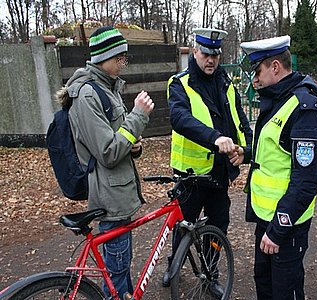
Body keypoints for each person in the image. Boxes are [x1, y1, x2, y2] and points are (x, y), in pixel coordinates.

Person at [56, 26, 154, 299]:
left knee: (120, 272)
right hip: (110, 198)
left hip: (119, 194)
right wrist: (139, 116)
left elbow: (119, 139)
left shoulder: (106, 89)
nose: (124, 62)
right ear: (105, 57)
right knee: (117, 276)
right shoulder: (87, 94)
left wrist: (135, 146)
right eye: (120, 57)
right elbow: (108, 151)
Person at [165, 27, 253, 298]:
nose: (211, 59)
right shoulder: (180, 83)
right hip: (190, 176)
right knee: (184, 225)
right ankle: (174, 266)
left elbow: (241, 121)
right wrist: (215, 138)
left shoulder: (226, 84)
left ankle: (210, 272)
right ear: (195, 52)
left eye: (215, 54)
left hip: (219, 174)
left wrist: (246, 150)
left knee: (218, 226)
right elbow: (180, 119)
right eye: (205, 53)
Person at [240, 35, 317, 300]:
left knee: (284, 292)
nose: (255, 80)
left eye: (258, 71)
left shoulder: (303, 107)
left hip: (285, 227)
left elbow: (307, 180)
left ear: (275, 67)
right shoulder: (278, 98)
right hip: (266, 219)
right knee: (264, 285)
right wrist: (246, 154)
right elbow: (276, 150)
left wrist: (277, 230)